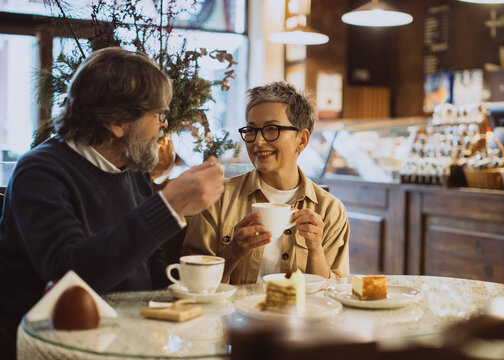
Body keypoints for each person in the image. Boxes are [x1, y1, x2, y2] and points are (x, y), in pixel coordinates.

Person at [0, 47, 224, 353]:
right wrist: (168, 207)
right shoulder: (39, 173)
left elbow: (151, 265)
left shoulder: (132, 166)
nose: (164, 125)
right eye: (159, 114)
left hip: (132, 334)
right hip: (59, 344)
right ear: (117, 122)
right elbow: (69, 277)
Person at [182, 81, 349, 284]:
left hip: (298, 315)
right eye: (251, 131)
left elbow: (333, 294)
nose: (258, 141)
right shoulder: (217, 198)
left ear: (302, 140)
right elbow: (192, 283)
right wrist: (234, 250)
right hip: (230, 315)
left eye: (271, 129)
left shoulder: (330, 210)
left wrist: (315, 248)